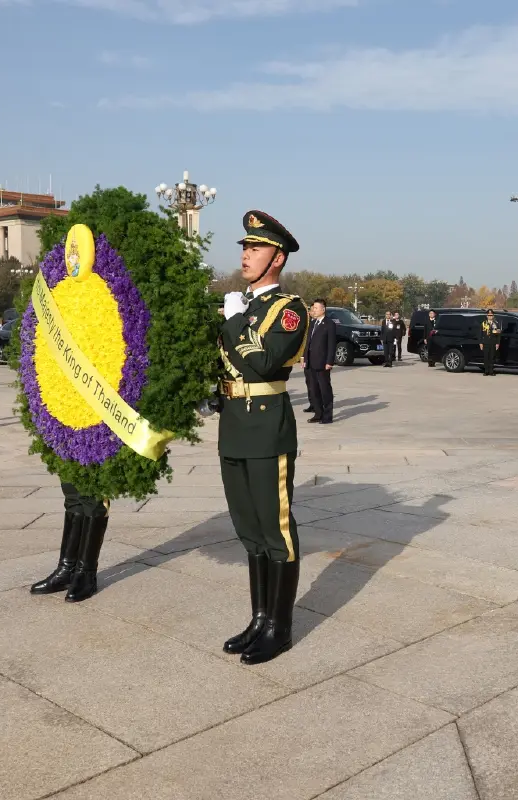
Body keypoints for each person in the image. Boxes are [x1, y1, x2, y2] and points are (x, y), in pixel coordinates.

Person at [219, 210, 309, 665]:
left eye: (254, 248)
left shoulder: (287, 310)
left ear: (277, 257)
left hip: (265, 427)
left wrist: (233, 323)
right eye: (244, 247)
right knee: (250, 532)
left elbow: (263, 361)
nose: (245, 254)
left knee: (277, 532)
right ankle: (259, 619)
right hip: (233, 426)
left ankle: (281, 627)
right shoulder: (244, 305)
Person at [303, 298, 337, 424]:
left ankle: (327, 416)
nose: (314, 310)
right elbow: (308, 342)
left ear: (323, 309)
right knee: (313, 389)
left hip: (323, 362)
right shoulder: (312, 323)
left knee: (324, 389)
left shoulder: (329, 324)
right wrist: (304, 358)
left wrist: (329, 361)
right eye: (313, 308)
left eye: (316, 308)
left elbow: (331, 344)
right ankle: (318, 413)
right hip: (310, 362)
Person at [480, 309, 501, 376]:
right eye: (489, 315)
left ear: (493, 316)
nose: (490, 316)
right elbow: (480, 334)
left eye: (491, 315)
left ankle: (491, 371)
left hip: (493, 343)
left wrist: (497, 343)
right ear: (487, 316)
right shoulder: (483, 323)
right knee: (486, 357)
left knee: (492, 358)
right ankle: (486, 371)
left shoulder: (496, 324)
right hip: (485, 343)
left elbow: (498, 335)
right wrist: (480, 343)